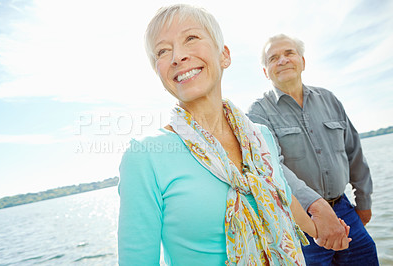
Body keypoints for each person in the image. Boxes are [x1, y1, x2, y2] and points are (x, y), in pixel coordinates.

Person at [117, 5, 349, 265]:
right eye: (162, 50)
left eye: (191, 38)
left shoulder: (261, 137)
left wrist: (319, 231)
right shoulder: (145, 156)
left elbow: (281, 194)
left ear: (224, 56)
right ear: (159, 72)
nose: (177, 56)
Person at [247, 34, 378, 265]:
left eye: (289, 53)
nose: (282, 60)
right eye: (273, 58)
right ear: (265, 71)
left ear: (303, 61)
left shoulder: (329, 99)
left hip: (346, 211)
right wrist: (315, 208)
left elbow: (354, 153)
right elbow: (272, 168)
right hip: (298, 222)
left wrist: (364, 202)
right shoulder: (258, 113)